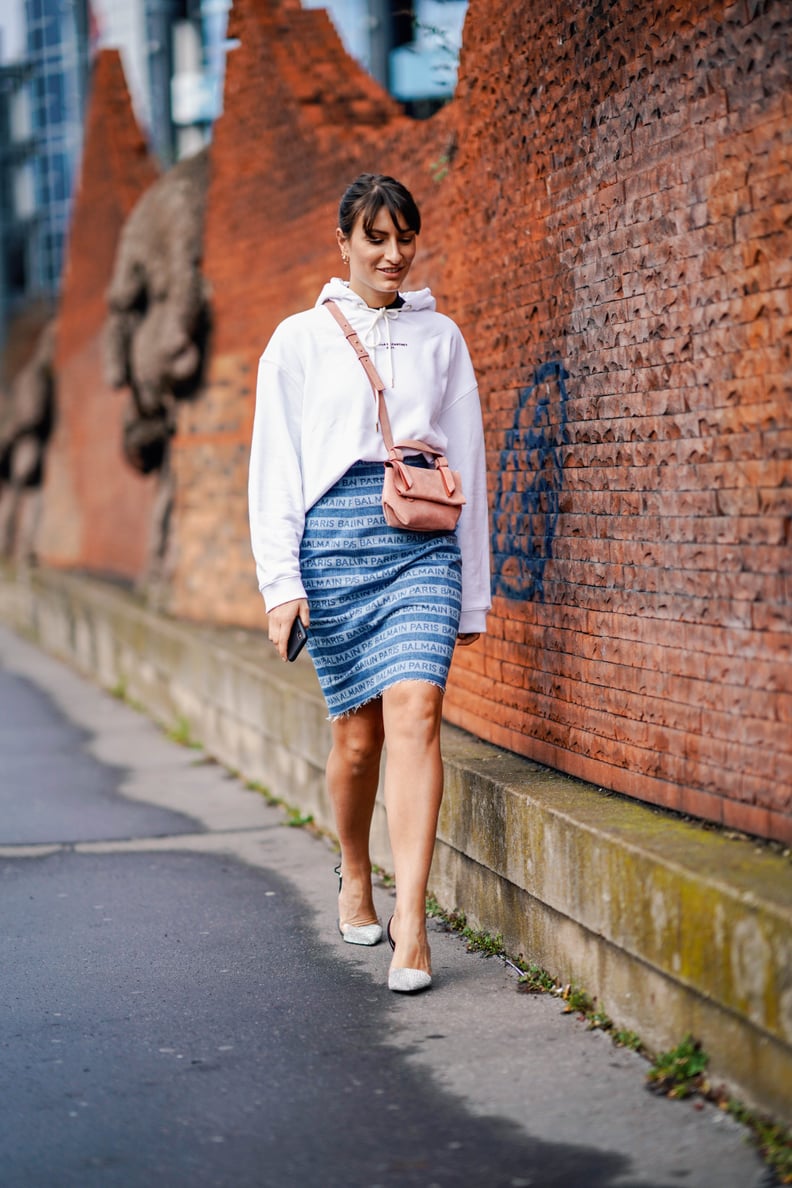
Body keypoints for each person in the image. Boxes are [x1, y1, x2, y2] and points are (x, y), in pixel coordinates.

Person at [248, 173, 490, 993]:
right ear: (344, 242)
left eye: (404, 237)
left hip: (422, 538)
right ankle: (355, 869)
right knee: (358, 739)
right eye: (376, 238)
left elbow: (471, 470)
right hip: (334, 545)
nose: (393, 254)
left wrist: (477, 593)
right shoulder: (298, 340)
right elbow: (273, 470)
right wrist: (282, 585)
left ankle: (413, 921)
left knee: (418, 712)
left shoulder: (442, 339)